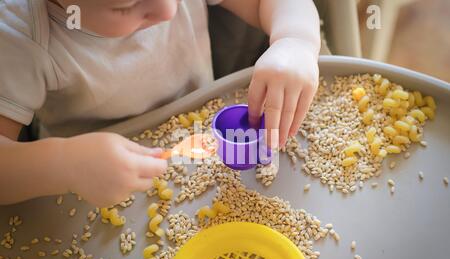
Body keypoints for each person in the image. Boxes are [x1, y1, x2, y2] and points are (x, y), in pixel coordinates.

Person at [0, 0, 321, 206]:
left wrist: (295, 41)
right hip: (93, 189)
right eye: (125, 4)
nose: (168, 9)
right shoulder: (19, 35)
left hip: (197, 151)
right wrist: (65, 165)